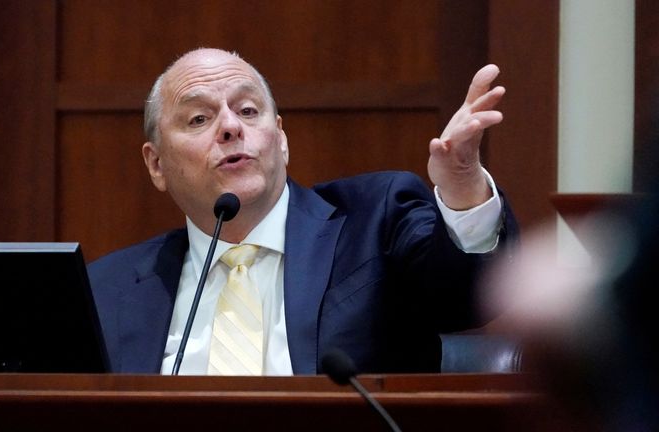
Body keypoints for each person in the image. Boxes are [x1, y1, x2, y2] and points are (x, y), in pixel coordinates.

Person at [88, 48, 518, 375]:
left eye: (248, 110)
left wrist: (464, 188)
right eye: (199, 119)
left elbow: (470, 295)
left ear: (281, 139)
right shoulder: (105, 291)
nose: (231, 127)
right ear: (156, 164)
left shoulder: (375, 222)